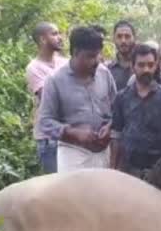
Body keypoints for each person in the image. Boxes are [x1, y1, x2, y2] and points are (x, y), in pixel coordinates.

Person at [37, 26, 117, 172]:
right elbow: (45, 122)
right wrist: (74, 133)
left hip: (104, 152)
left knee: (104, 195)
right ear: (75, 53)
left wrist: (110, 126)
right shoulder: (55, 80)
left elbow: (118, 109)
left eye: (98, 55)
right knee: (73, 195)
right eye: (90, 56)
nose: (96, 61)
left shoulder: (104, 73)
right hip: (72, 154)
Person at [110, 44, 161, 193]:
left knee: (157, 213)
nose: (146, 69)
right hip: (129, 169)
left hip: (158, 170)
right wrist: (112, 168)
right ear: (133, 66)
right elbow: (116, 135)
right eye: (141, 65)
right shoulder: (122, 98)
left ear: (156, 65)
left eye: (150, 65)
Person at [25, 22, 68, 174]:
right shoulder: (34, 68)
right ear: (42, 39)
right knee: (56, 188)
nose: (60, 37)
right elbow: (48, 98)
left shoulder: (65, 63)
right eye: (55, 34)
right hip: (48, 137)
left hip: (69, 134)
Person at [108, 20, 137, 90]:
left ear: (135, 38)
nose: (123, 40)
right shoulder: (107, 70)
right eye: (119, 36)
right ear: (114, 39)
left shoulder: (144, 66)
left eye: (127, 36)